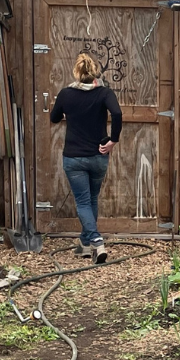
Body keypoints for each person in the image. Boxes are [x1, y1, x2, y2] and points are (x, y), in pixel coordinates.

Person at [49, 52, 122, 263]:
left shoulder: (66, 94)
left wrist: (68, 112)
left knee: (82, 201)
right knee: (91, 199)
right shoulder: (104, 93)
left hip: (74, 158)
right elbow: (117, 114)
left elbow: (54, 118)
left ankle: (97, 242)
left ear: (77, 73)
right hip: (98, 156)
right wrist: (113, 140)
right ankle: (84, 243)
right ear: (95, 73)